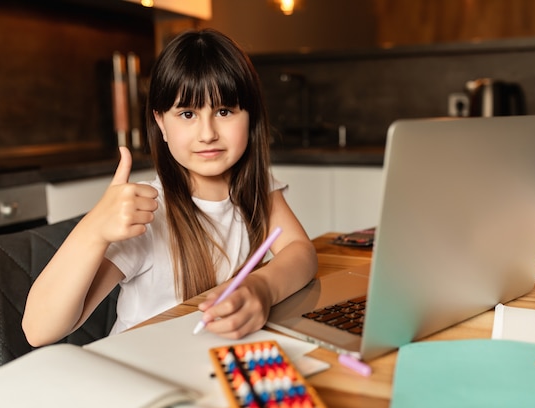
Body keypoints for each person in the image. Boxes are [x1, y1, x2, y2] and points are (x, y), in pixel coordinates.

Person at [22, 29, 318, 347]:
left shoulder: (256, 189)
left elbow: (301, 252)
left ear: (250, 116)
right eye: (187, 114)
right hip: (138, 373)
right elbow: (39, 331)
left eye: (224, 111)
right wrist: (93, 230)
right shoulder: (148, 211)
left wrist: (263, 287)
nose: (208, 133)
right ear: (161, 123)